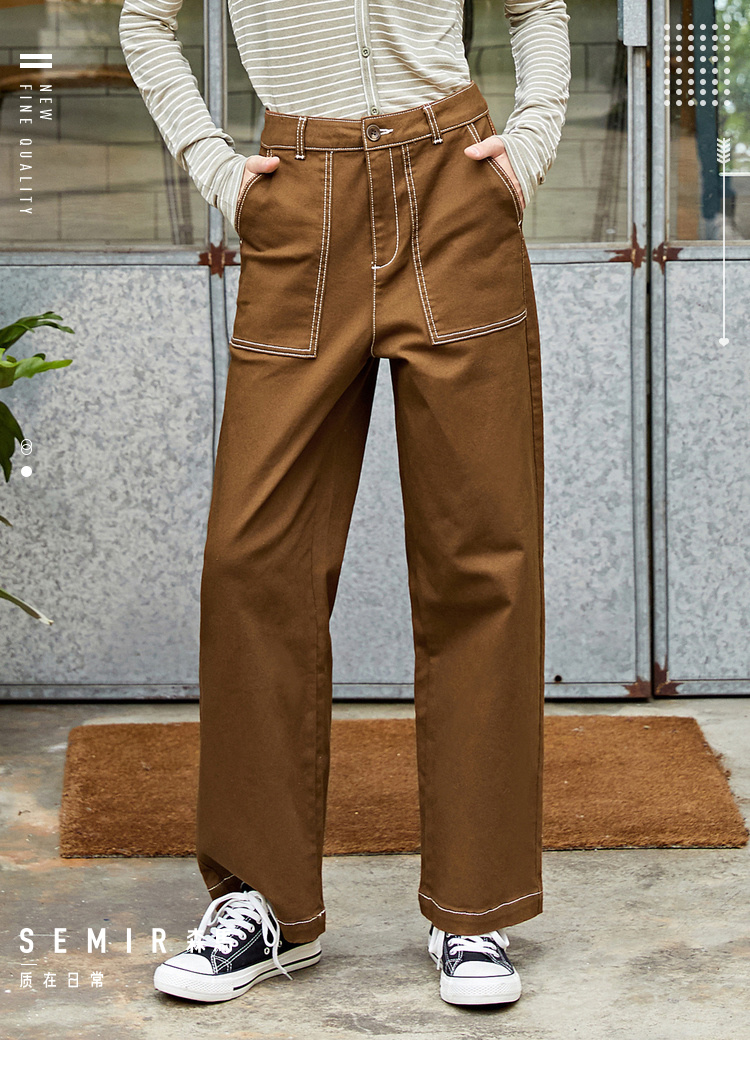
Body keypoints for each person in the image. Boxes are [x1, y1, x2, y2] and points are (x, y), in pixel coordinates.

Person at [119, 0, 571, 1008]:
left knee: (480, 559)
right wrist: (216, 167)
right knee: (253, 560)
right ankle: (262, 901)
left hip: (453, 191)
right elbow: (144, 20)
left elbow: (538, 9)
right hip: (300, 203)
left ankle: (473, 906)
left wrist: (531, 141)